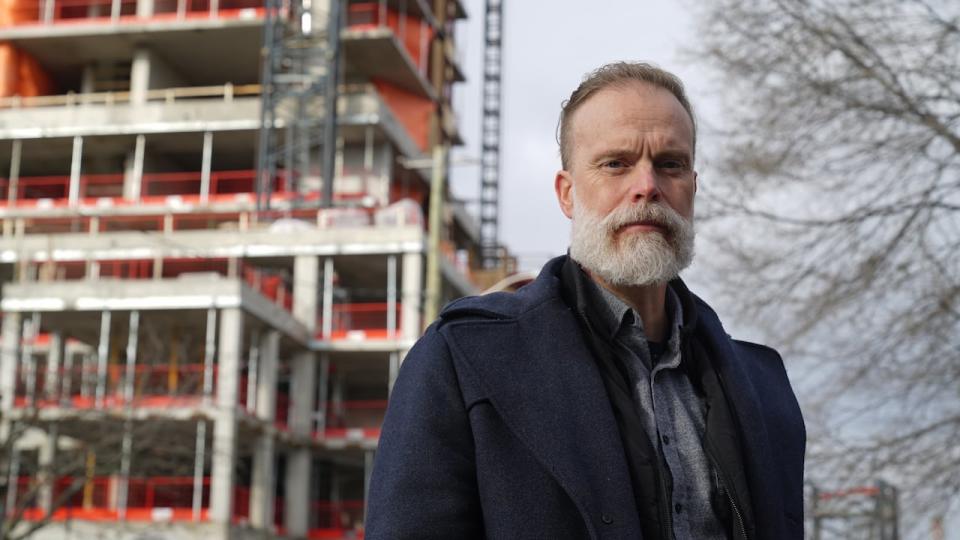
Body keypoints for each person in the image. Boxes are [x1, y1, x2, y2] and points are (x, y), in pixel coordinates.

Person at [366, 62, 805, 539]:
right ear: (567, 193)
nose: (647, 186)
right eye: (615, 163)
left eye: (670, 164)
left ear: (692, 189)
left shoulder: (766, 391)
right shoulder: (464, 361)